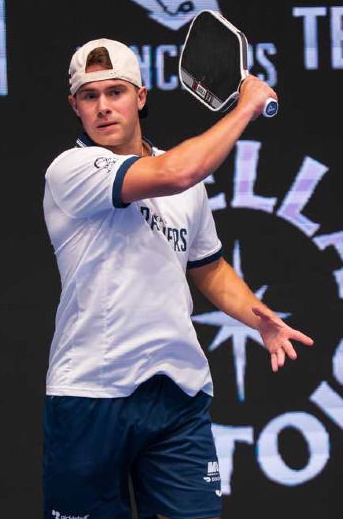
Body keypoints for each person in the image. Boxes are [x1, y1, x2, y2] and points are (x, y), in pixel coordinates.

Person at [41, 38, 312, 519]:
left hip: (177, 392)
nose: (103, 107)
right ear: (74, 106)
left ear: (140, 97)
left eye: (116, 92)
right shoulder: (71, 169)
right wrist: (246, 107)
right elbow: (177, 172)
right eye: (89, 96)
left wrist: (259, 318)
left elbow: (209, 267)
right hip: (90, 392)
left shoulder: (184, 181)